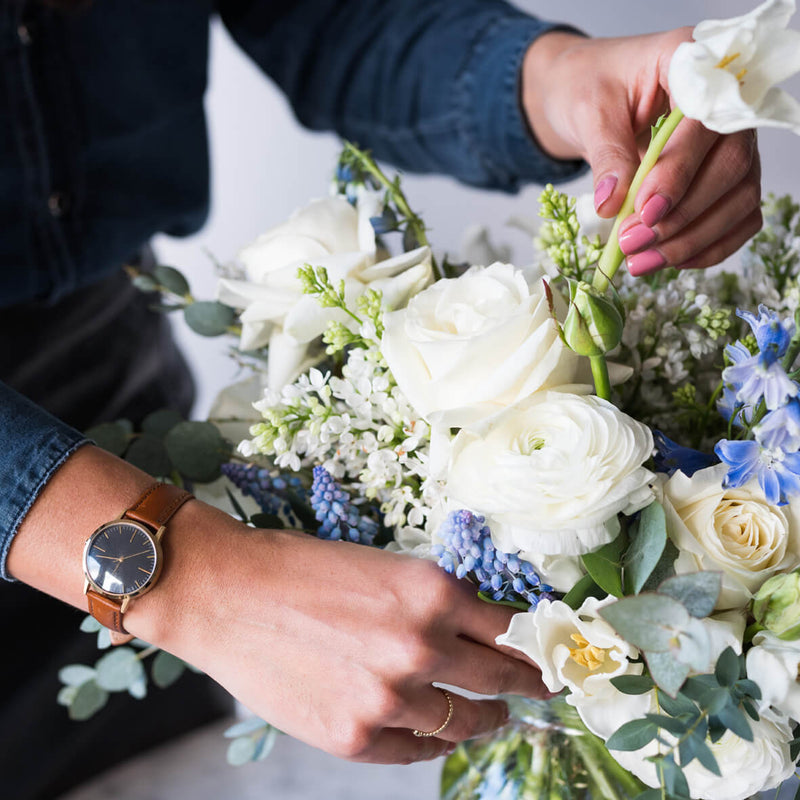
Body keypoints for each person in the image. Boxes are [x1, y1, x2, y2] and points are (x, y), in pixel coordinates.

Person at [0, 1, 761, 798]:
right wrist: (192, 579)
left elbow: (330, 20)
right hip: (146, 551)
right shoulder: (195, 576)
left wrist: (554, 78)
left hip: (124, 406)